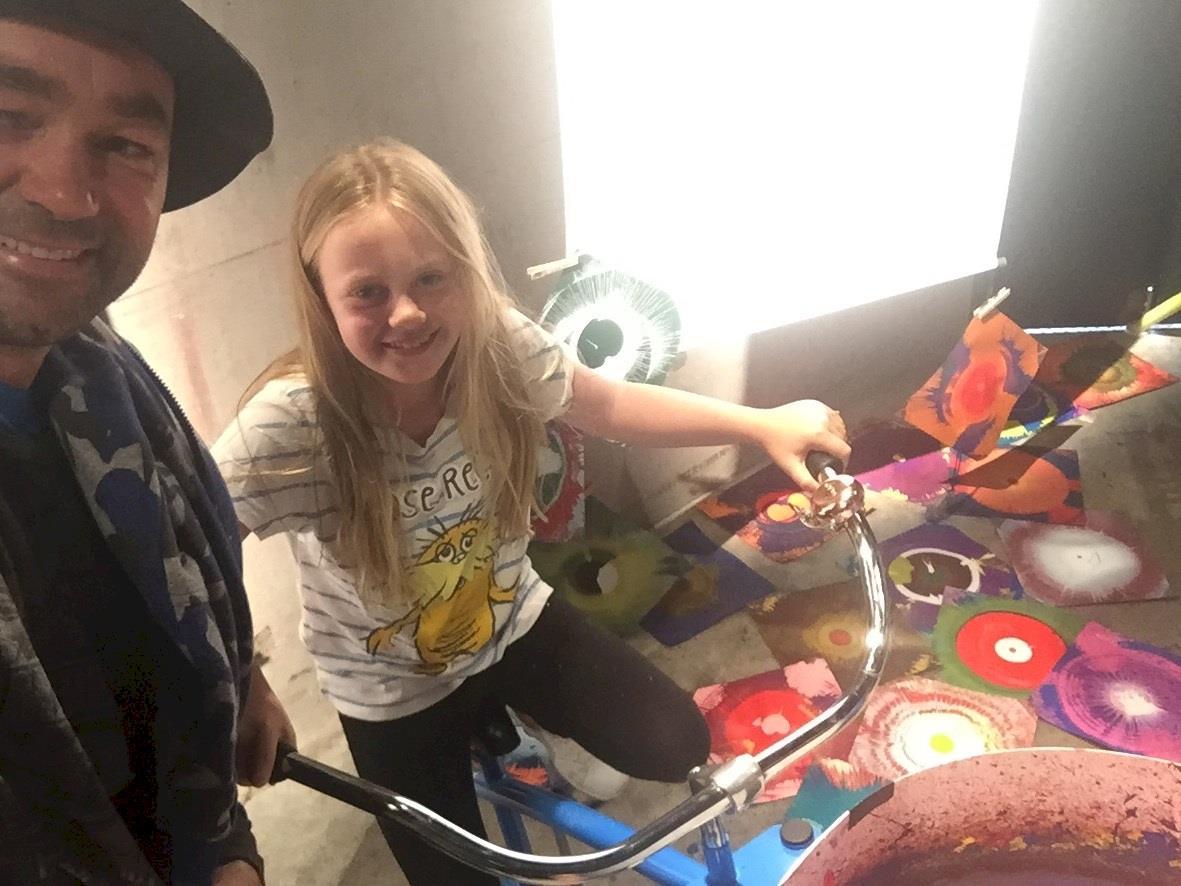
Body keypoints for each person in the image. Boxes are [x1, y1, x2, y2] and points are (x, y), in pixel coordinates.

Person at [214, 139, 850, 885]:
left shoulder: (499, 349)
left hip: (511, 620)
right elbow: (190, 549)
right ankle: (495, 729)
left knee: (675, 742)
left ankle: (509, 721)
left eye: (431, 277)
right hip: (390, 688)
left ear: (467, 268)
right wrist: (245, 679)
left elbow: (607, 404)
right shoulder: (291, 425)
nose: (408, 313)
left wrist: (761, 424)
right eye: (367, 293)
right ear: (320, 298)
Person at [0, 2, 295, 883]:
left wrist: (240, 679)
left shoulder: (100, 386)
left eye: (125, 144)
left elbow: (150, 631)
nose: (64, 193)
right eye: (8, 114)